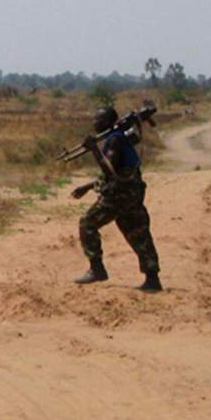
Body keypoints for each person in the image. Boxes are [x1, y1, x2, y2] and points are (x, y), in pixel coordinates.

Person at [71, 107, 162, 292]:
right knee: (139, 234)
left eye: (99, 119)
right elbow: (121, 172)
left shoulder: (114, 141)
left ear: (108, 122)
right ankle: (153, 279)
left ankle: (97, 269)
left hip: (118, 196)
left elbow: (109, 172)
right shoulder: (121, 138)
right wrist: (88, 187)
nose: (94, 122)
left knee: (87, 224)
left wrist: (94, 149)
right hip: (133, 195)